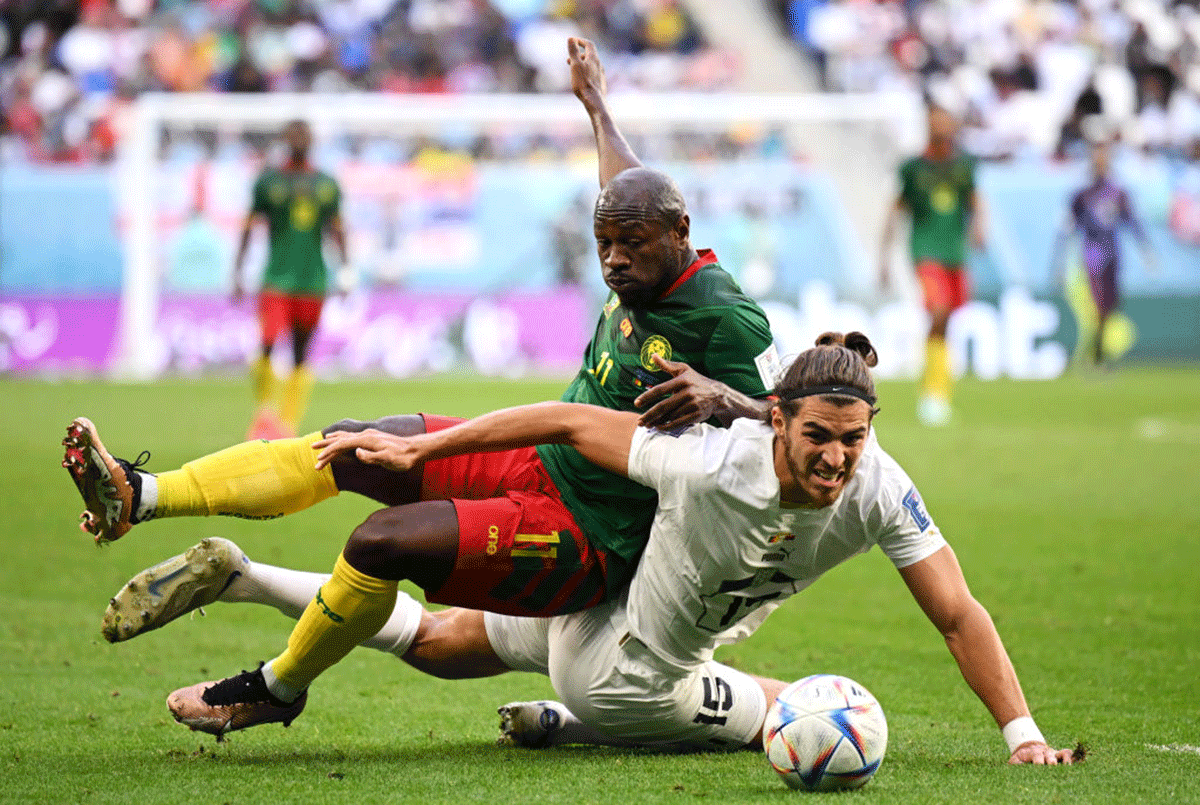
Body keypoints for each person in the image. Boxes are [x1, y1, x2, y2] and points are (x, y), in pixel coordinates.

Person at [63, 38, 778, 623]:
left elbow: (793, 417)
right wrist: (595, 104)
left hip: (592, 530)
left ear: (680, 232)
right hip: (539, 459)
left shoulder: (726, 318)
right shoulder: (638, 235)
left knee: (382, 542)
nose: (615, 260)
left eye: (632, 244)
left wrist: (723, 397)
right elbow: (622, 178)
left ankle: (276, 685)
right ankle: (142, 494)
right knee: (350, 443)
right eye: (605, 245)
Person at [158, 332, 1075, 766]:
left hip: (591, 605)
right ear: (779, 421)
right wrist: (427, 450)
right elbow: (564, 417)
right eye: (818, 438)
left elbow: (955, 609)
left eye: (855, 438)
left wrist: (1022, 731)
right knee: (811, 713)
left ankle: (246, 576)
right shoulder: (713, 461)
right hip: (628, 674)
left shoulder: (880, 484)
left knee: (435, 647)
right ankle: (583, 719)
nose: (838, 458)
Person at [235, 119, 348, 440]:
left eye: (305, 133)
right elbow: (248, 226)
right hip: (277, 279)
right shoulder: (269, 182)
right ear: (285, 138)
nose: (300, 138)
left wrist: (346, 270)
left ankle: (287, 424)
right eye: (294, 133)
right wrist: (238, 270)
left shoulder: (327, 185)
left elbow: (337, 230)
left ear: (312, 140)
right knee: (268, 343)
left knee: (301, 353)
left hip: (313, 280)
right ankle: (263, 413)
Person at [880, 104, 985, 427]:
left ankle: (938, 390)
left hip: (955, 253)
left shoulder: (964, 165)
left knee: (947, 321)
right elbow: (895, 210)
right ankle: (932, 396)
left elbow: (975, 200)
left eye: (945, 117)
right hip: (925, 251)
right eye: (934, 118)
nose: (940, 124)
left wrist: (979, 225)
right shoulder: (913, 168)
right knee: (938, 311)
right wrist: (883, 257)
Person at [1051, 139, 1156, 370]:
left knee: (1111, 305)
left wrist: (1146, 250)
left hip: (1113, 252)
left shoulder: (1118, 193)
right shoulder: (1081, 195)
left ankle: (1096, 351)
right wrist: (1058, 263)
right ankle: (1097, 356)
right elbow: (1067, 230)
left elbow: (1133, 222)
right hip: (1092, 254)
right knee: (1097, 304)